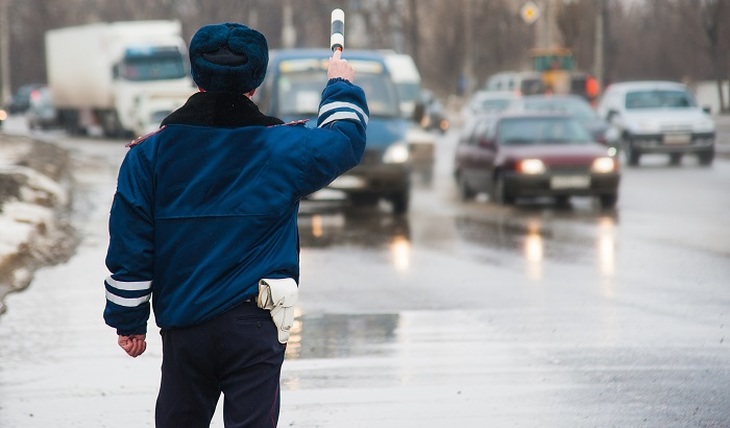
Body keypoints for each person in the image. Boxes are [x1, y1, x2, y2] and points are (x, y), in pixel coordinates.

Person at [103, 22, 368, 427]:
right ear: (256, 80)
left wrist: (129, 320)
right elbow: (344, 141)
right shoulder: (283, 148)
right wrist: (338, 85)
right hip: (254, 327)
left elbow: (131, 241)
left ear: (196, 76)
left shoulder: (149, 155)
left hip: (184, 325)